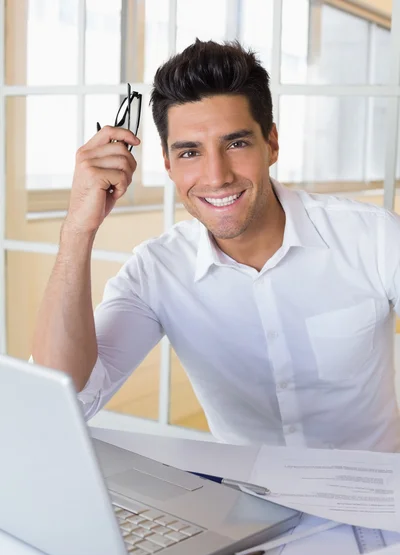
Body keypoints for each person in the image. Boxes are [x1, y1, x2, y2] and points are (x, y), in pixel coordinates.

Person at [32, 39, 400, 452]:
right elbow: (62, 395)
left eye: (236, 143)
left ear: (271, 144)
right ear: (168, 165)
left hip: (380, 508)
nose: (216, 175)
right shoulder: (158, 270)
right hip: (245, 511)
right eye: (190, 152)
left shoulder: (374, 237)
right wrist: (77, 230)